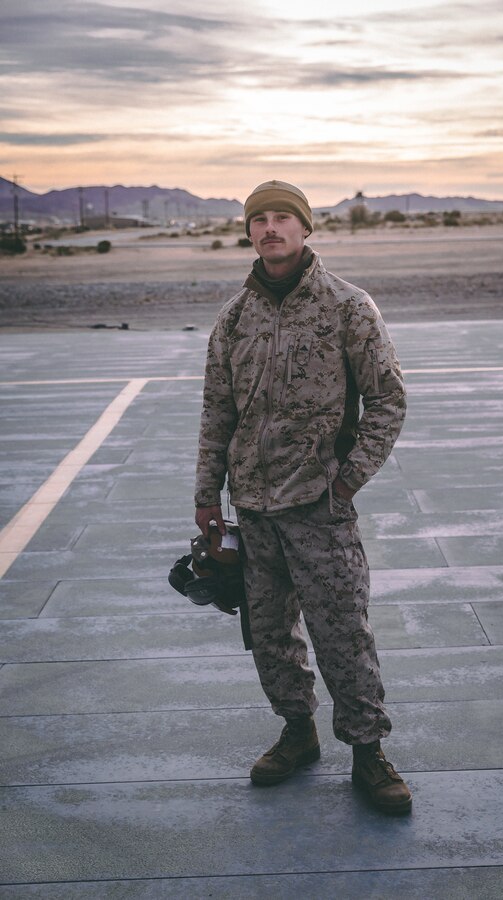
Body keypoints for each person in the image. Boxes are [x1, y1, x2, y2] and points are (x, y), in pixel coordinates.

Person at [194, 180, 411, 814]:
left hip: (320, 506)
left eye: (282, 217)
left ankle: (368, 752)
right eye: (258, 218)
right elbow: (217, 411)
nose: (270, 227)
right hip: (253, 508)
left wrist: (347, 480)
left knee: (342, 631)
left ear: (306, 228)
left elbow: (388, 400)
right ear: (249, 232)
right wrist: (208, 492)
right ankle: (297, 730)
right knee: (268, 633)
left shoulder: (347, 306)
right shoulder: (234, 319)